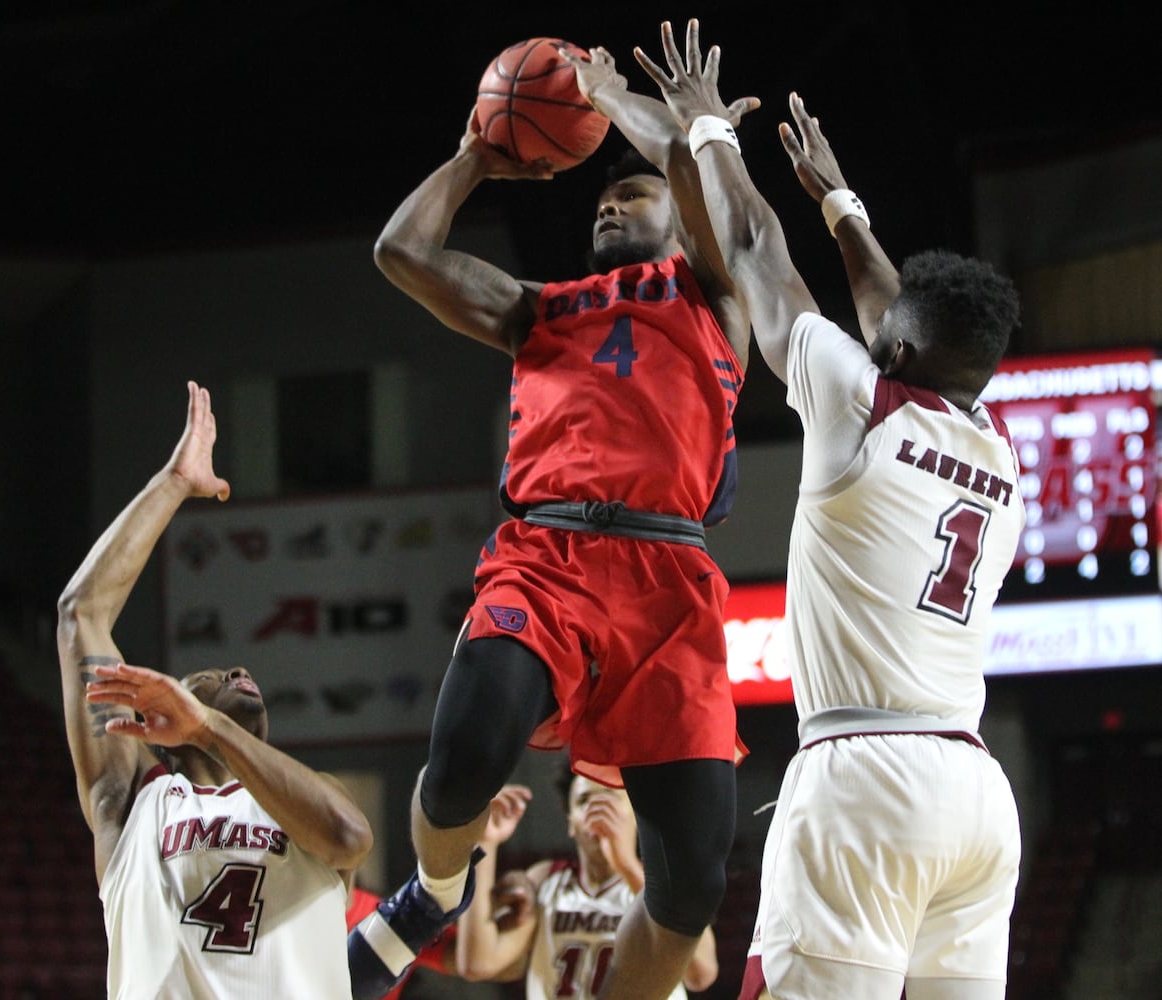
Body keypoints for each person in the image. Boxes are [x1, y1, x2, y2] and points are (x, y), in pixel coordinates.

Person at [346, 42, 759, 1000]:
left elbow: (697, 178)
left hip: (668, 583)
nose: (611, 204)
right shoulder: (540, 310)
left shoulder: (713, 295)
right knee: (458, 770)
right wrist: (475, 157)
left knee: (692, 882)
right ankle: (434, 893)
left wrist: (611, 98)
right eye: (602, 201)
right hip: (547, 558)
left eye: (632, 198)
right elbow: (399, 253)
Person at [633, 20, 1025, 1000]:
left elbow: (759, 250)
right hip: (975, 795)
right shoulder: (995, 448)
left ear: (890, 348)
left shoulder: (858, 404)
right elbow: (901, 317)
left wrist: (710, 135)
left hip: (863, 779)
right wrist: (842, 204)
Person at [56, 380, 374, 999]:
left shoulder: (304, 800)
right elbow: (81, 615)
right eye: (209, 677)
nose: (235, 673)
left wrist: (207, 725)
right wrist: (175, 482)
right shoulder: (131, 804)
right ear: (160, 717)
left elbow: (349, 838)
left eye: (236, 675)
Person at [455, 778, 718, 999]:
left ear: (637, 814)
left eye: (609, 797)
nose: (596, 808)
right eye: (583, 801)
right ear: (570, 823)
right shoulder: (546, 879)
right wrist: (484, 842)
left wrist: (625, 863)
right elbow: (478, 963)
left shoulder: (669, 883)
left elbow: (701, 973)